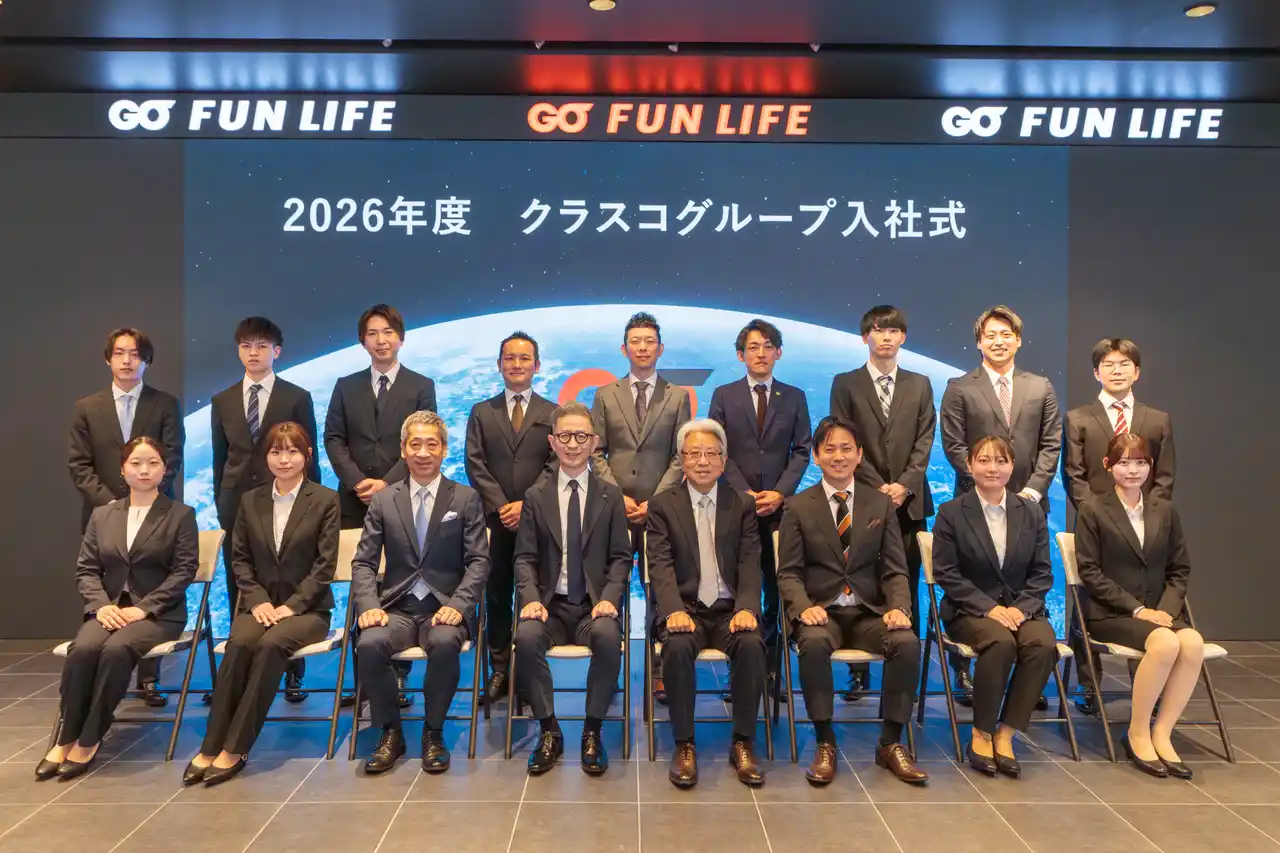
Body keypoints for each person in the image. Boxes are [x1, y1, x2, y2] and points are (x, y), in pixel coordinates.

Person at [183, 423, 339, 787]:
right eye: (276, 451)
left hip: (308, 611)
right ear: (265, 456)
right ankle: (210, 745)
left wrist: (293, 605)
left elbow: (325, 565)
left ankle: (235, 748)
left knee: (271, 645)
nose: (284, 460)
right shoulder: (250, 500)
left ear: (307, 456)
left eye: (292, 451)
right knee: (239, 644)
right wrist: (257, 602)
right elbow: (240, 560)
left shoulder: (325, 500)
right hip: (260, 606)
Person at [776, 416, 927, 786]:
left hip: (868, 613)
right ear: (816, 456)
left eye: (846, 449)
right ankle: (825, 741)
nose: (838, 456)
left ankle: (891, 742)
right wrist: (802, 607)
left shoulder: (880, 504)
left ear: (859, 455)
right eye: (829, 449)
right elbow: (789, 572)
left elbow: (895, 569)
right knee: (812, 644)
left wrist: (900, 608)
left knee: (907, 643)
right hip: (821, 613)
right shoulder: (798, 506)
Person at [37, 437, 197, 781]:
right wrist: (100, 606)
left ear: (165, 470)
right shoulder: (103, 515)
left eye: (153, 463)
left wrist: (145, 609)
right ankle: (67, 736)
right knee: (84, 649)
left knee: (116, 649)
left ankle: (90, 737)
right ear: (123, 470)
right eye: (136, 463)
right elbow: (87, 570)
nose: (144, 470)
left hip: (158, 614)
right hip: (110, 610)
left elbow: (184, 571)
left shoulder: (181, 515)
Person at [352, 411, 490, 775]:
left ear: (444, 449)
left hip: (444, 607)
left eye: (432, 444)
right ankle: (390, 733)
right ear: (403, 449)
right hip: (397, 608)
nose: (424, 452)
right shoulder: (384, 500)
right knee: (369, 644)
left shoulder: (465, 498)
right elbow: (363, 562)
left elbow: (479, 561)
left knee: (444, 643)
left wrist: (460, 605)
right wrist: (368, 605)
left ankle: (433, 731)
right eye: (416, 444)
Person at [939, 305, 1060, 707]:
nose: (998, 341)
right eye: (990, 335)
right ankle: (965, 671)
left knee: (1026, 589)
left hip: (1028, 504)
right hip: (975, 505)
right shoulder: (960, 386)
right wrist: (987, 483)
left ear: (1018, 340)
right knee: (975, 583)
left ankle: (1025, 681)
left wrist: (1032, 493)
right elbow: (954, 444)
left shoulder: (1040, 387)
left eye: (1006, 334)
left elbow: (1050, 445)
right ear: (979, 342)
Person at [511, 401, 632, 776]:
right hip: (549, 605)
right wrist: (531, 600)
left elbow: (621, 558)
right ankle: (549, 730)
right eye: (565, 436)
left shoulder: (611, 496)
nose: (573, 444)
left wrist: (609, 599)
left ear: (595, 442)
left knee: (608, 638)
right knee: (526, 638)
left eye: (581, 436)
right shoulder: (536, 496)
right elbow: (524, 558)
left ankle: (592, 731)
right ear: (552, 442)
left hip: (593, 606)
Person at [647, 419, 768, 789]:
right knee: (677, 645)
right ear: (681, 459)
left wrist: (747, 606)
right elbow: (660, 564)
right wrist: (673, 610)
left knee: (752, 645)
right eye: (694, 453)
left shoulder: (742, 503)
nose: (702, 461)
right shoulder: (662, 505)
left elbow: (750, 561)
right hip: (687, 609)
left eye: (711, 454)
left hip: (731, 610)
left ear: (724, 460)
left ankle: (743, 742)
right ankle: (684, 744)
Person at [325, 304, 436, 707]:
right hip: (354, 501)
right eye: (372, 333)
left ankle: (397, 679)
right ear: (362, 341)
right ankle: (364, 683)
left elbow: (422, 442)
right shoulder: (345, 385)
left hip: (402, 498)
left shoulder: (420, 386)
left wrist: (386, 483)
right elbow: (333, 438)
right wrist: (357, 481)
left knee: (400, 585)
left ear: (400, 338)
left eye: (388, 332)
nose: (381, 340)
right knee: (363, 588)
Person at [1074, 433, 1202, 780]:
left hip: (1159, 613)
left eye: (1141, 463)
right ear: (1108, 466)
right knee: (1166, 642)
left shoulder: (1165, 510)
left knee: (1192, 642)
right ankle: (1138, 733)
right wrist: (1138, 610)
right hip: (1111, 613)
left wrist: (1167, 610)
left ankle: (1162, 732)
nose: (1133, 470)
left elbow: (1180, 569)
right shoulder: (1093, 510)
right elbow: (1090, 572)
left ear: (1151, 466)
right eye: (1125, 463)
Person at [67, 328, 184, 708]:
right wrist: (114, 507)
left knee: (150, 586)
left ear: (146, 360)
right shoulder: (88, 407)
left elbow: (173, 456)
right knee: (106, 587)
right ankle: (93, 676)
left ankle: (149, 679)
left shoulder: (164, 404)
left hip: (156, 516)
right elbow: (80, 465)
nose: (127, 360)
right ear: (108, 359)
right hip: (103, 517)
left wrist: (144, 499)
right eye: (119, 353)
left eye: (135, 354)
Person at [931, 435, 1056, 778]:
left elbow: (1042, 573)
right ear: (970, 465)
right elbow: (946, 573)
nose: (992, 468)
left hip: (1019, 609)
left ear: (1012, 467)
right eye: (984, 460)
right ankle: (981, 732)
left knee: (1043, 645)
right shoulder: (951, 513)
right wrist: (988, 608)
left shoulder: (1030, 512)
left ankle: (1006, 733)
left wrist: (1021, 609)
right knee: (999, 642)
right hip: (969, 610)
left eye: (1001, 461)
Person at [1064, 338, 1176, 714]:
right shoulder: (1078, 418)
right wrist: (1098, 516)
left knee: (1143, 590)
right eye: (1109, 364)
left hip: (1145, 523)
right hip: (1096, 524)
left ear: (1137, 372)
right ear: (1096, 372)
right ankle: (1088, 685)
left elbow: (1164, 476)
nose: (1117, 371)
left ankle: (1147, 685)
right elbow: (1074, 475)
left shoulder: (1157, 419)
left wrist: (1149, 515)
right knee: (1087, 596)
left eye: (1124, 364)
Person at [829, 305, 935, 701]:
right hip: (863, 500)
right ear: (865, 337)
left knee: (907, 583)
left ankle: (906, 672)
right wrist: (878, 488)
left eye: (893, 331)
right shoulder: (846, 383)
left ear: (903, 337)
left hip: (910, 503)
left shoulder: (920, 384)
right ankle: (859, 673)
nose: (886, 337)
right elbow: (843, 440)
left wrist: (905, 485)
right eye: (878, 330)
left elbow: (925, 439)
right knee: (863, 582)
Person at [211, 317, 320, 703]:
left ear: (277, 351)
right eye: (246, 345)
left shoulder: (296, 396)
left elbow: (309, 455)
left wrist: (314, 506)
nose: (253, 353)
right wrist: (222, 503)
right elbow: (220, 458)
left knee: (289, 579)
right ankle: (238, 670)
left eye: (261, 345)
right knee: (239, 582)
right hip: (238, 505)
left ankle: (291, 671)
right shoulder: (223, 400)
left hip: (288, 501)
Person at [590, 312, 691, 701]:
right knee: (610, 589)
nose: (643, 347)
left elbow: (681, 456)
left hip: (659, 510)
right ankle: (609, 670)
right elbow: (595, 452)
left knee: (661, 592)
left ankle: (660, 671)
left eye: (650, 341)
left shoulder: (677, 396)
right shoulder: (605, 394)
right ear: (624, 349)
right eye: (636, 341)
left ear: (660, 348)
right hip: (613, 509)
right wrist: (619, 496)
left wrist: (655, 501)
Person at [708, 319, 811, 662]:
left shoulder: (794, 397)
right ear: (741, 355)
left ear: (779, 353)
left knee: (776, 583)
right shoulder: (724, 395)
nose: (761, 353)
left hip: (779, 508)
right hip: (736, 505)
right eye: (753, 347)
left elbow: (802, 450)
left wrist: (780, 492)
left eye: (768, 346)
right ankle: (739, 654)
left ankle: (771, 662)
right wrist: (744, 492)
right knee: (738, 579)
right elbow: (717, 449)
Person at [465, 331, 556, 703]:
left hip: (538, 522)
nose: (516, 364)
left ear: (537, 365)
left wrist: (526, 505)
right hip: (495, 521)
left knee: (535, 595)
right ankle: (500, 670)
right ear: (499, 364)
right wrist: (503, 505)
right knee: (498, 596)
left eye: (524, 358)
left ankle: (531, 672)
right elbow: (475, 463)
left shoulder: (553, 412)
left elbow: (555, 464)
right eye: (510, 358)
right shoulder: (482, 412)